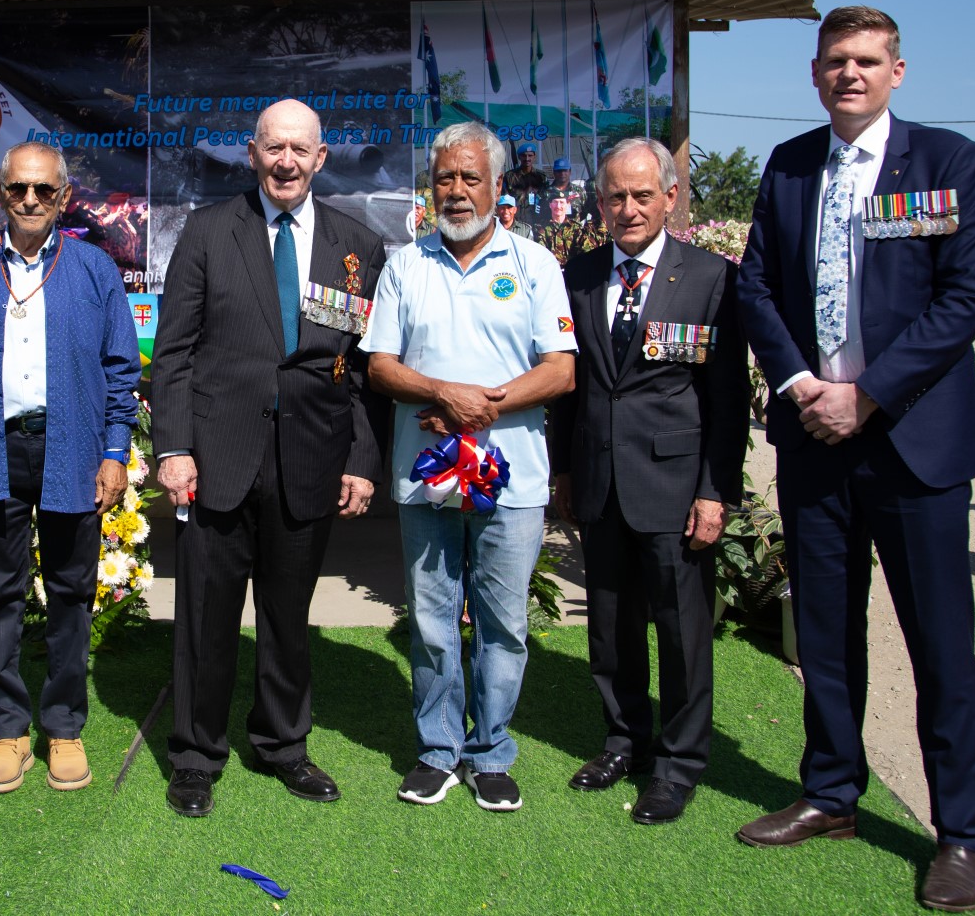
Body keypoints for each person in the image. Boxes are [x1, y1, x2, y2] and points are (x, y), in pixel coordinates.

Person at [735, 6, 975, 912]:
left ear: (897, 72)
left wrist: (870, 393)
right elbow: (756, 286)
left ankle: (963, 831)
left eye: (867, 61)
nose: (850, 73)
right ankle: (831, 792)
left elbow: (966, 297)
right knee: (826, 634)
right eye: (835, 61)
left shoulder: (948, 162)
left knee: (940, 645)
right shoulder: (790, 165)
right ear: (815, 74)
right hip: (816, 438)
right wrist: (802, 383)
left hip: (913, 446)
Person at [150, 98, 387, 818]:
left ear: (321, 158)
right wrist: (174, 447)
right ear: (252, 153)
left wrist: (361, 458)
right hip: (218, 457)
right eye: (273, 147)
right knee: (207, 617)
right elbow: (174, 352)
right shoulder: (207, 231)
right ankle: (196, 755)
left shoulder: (357, 246)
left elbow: (362, 367)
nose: (286, 162)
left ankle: (283, 744)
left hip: (310, 457)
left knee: (288, 617)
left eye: (299, 149)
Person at [362, 121, 576, 812]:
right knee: (431, 621)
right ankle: (437, 750)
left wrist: (479, 406)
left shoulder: (535, 264)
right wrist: (440, 392)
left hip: (513, 480)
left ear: (497, 185)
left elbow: (561, 370)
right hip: (426, 477)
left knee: (503, 623)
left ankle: (491, 752)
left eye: (470, 177)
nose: (456, 191)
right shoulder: (406, 265)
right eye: (445, 178)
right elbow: (381, 366)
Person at [0, 141, 140, 796]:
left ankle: (64, 726)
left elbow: (120, 371)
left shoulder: (95, 269)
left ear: (63, 197)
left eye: (43, 189)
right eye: (18, 188)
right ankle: (5, 727)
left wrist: (114, 451)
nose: (29, 200)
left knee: (72, 593)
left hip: (71, 448)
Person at [551, 138, 748, 824]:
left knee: (681, 632)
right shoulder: (579, 274)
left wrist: (715, 491)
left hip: (675, 487)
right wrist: (565, 468)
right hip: (600, 481)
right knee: (610, 627)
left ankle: (679, 764)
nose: (628, 208)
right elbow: (570, 385)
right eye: (615, 196)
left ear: (670, 197)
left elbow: (727, 400)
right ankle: (623, 741)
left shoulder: (711, 278)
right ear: (599, 201)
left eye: (641, 195)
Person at [503, 142, 548, 224]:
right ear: (519, 157)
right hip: (516, 220)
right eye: (524, 156)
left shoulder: (541, 177)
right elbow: (504, 199)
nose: (527, 158)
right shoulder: (510, 176)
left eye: (530, 155)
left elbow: (545, 200)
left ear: (534, 156)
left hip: (536, 220)